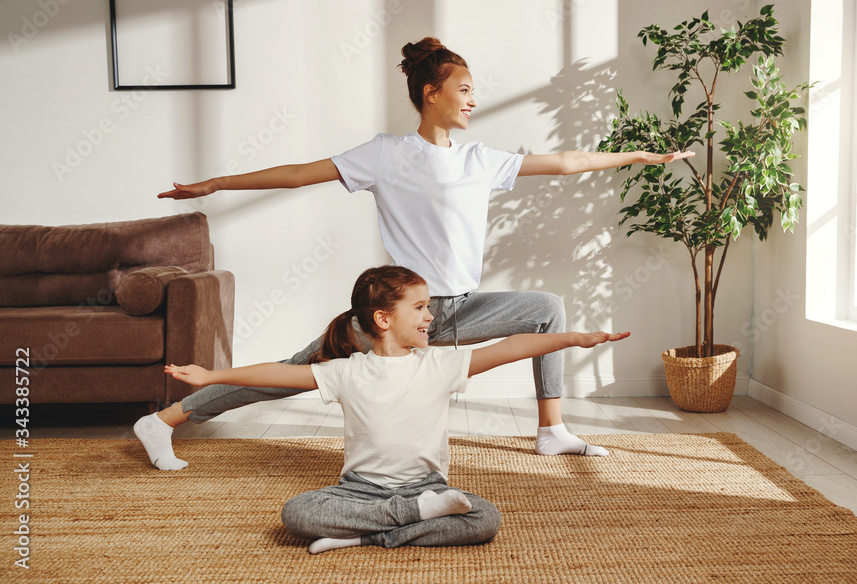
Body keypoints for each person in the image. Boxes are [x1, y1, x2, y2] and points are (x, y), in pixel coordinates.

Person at [137, 36, 692, 471]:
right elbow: (301, 174)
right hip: (398, 315)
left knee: (547, 307)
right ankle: (164, 420)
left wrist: (638, 156)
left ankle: (551, 430)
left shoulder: (480, 159)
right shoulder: (385, 155)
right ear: (432, 93)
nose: (474, 99)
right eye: (465, 89)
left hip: (461, 308)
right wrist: (217, 182)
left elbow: (566, 161)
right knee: (291, 372)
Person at [164, 265, 630, 553]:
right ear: (383, 320)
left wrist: (575, 337)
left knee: (485, 519)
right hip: (360, 489)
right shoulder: (348, 370)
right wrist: (211, 376)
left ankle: (365, 536)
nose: (431, 317)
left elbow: (514, 346)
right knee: (298, 513)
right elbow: (276, 373)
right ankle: (411, 519)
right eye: (421, 308)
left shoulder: (441, 365)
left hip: (427, 486)